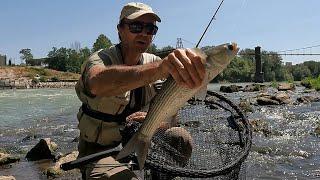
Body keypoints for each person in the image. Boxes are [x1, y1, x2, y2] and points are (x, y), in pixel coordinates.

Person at [75, 2, 206, 179]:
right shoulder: (100, 59)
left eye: (151, 28)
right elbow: (96, 82)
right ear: (120, 30)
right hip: (99, 151)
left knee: (180, 138)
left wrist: (157, 121)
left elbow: (173, 116)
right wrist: (158, 70)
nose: (144, 33)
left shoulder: (154, 60)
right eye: (136, 26)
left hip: (142, 139)